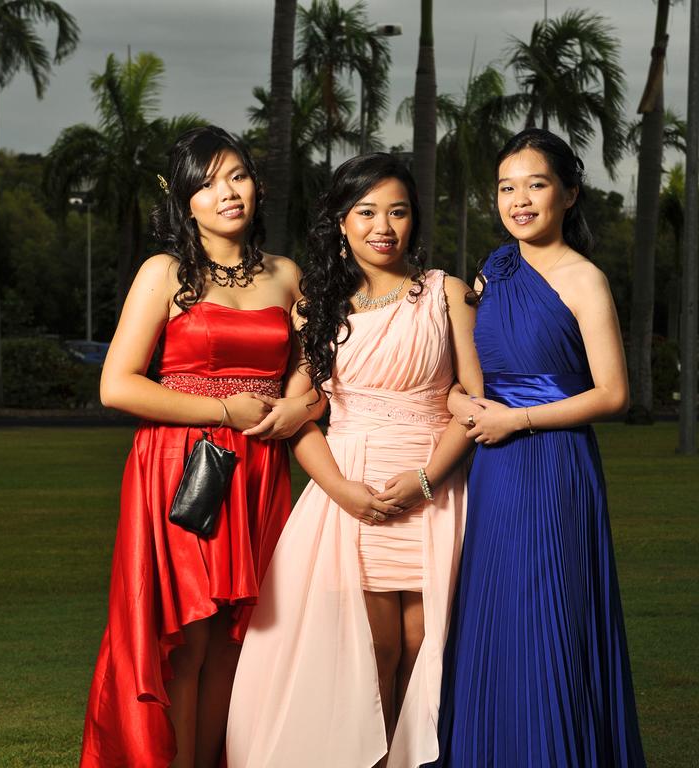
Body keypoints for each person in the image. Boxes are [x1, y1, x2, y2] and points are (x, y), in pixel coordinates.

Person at [225, 153, 482, 767]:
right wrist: (341, 489)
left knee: (427, 650)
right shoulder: (317, 305)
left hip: (432, 488)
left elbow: (472, 405)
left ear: (414, 219)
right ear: (341, 222)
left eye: (397, 211)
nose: (382, 226)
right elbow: (299, 416)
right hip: (349, 495)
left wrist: (425, 480)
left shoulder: (446, 293)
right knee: (375, 654)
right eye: (366, 212)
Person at [79, 126, 320, 768]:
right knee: (185, 637)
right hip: (182, 469)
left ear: (257, 186)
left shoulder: (286, 276)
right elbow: (117, 385)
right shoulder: (164, 274)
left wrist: (298, 402)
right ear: (187, 201)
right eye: (208, 183)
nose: (227, 193)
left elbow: (320, 365)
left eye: (237, 175)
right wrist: (223, 408)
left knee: (237, 644)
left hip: (259, 465)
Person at [430, 129, 647, 767]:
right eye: (506, 187)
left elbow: (613, 395)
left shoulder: (585, 280)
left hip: (552, 464)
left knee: (548, 613)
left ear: (569, 194)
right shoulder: (493, 270)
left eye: (536, 184)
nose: (519, 200)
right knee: (496, 615)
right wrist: (461, 405)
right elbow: (461, 376)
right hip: (493, 469)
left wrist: (517, 422)